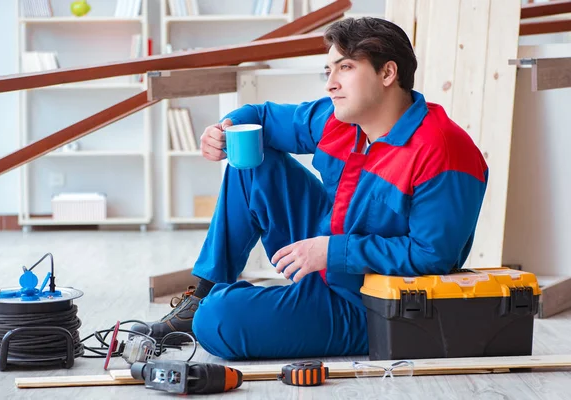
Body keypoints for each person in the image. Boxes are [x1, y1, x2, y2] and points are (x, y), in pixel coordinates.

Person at [133, 17, 488, 361]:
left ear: (387, 73)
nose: (330, 84)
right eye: (328, 71)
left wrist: (333, 252)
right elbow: (263, 117)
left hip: (370, 303)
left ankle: (233, 308)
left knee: (217, 321)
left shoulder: (444, 150)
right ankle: (205, 292)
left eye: (345, 68)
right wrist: (224, 131)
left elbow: (432, 257)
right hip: (326, 249)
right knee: (253, 161)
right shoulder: (340, 118)